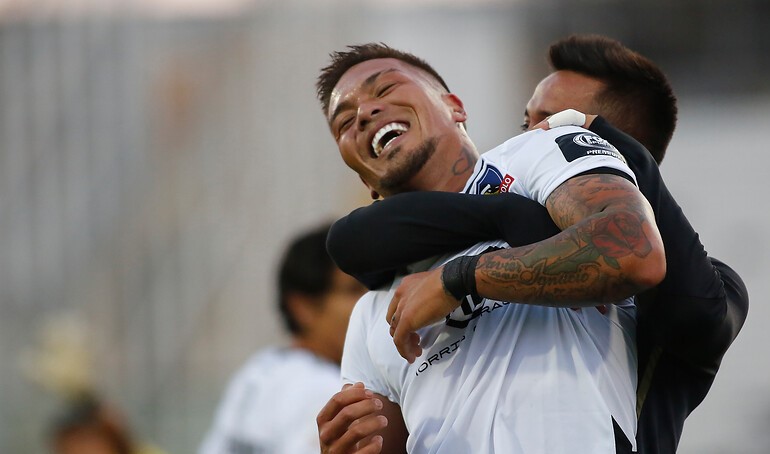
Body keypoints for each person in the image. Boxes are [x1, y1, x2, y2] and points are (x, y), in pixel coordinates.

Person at [323, 35, 749, 453]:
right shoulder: (369, 312)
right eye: (344, 121)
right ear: (362, 178)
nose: (364, 113)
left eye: (386, 87)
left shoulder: (537, 156)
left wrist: (459, 279)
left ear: (455, 106)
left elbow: (631, 252)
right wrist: (355, 438)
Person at [198, 224, 366, 454]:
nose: (369, 302)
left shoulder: (258, 368)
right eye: (354, 290)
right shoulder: (325, 389)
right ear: (303, 307)